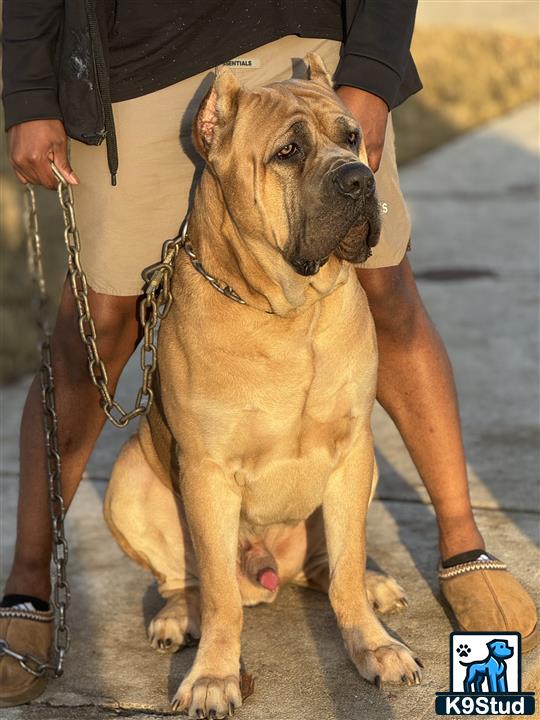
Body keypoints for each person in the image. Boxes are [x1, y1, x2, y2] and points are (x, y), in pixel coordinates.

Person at [1, 0, 536, 708]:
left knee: (386, 294)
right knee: (94, 334)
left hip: (303, 40)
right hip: (132, 66)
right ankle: (28, 586)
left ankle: (464, 547)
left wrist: (370, 75)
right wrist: (29, 92)